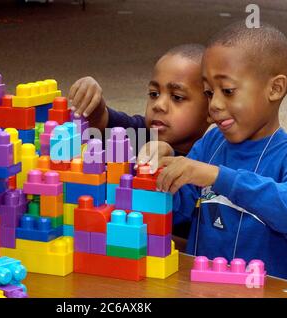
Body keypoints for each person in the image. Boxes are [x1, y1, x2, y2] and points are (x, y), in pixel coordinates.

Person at [152, 21, 287, 284]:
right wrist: (154, 172)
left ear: (274, 88)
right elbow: (178, 210)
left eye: (228, 91)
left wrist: (219, 177)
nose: (215, 105)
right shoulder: (209, 146)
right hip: (204, 289)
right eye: (209, 93)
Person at [68, 44, 211, 239]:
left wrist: (169, 163)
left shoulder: (211, 161)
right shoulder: (142, 134)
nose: (159, 105)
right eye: (154, 94)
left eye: (177, 97)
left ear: (212, 107)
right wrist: (92, 97)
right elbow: (102, 120)